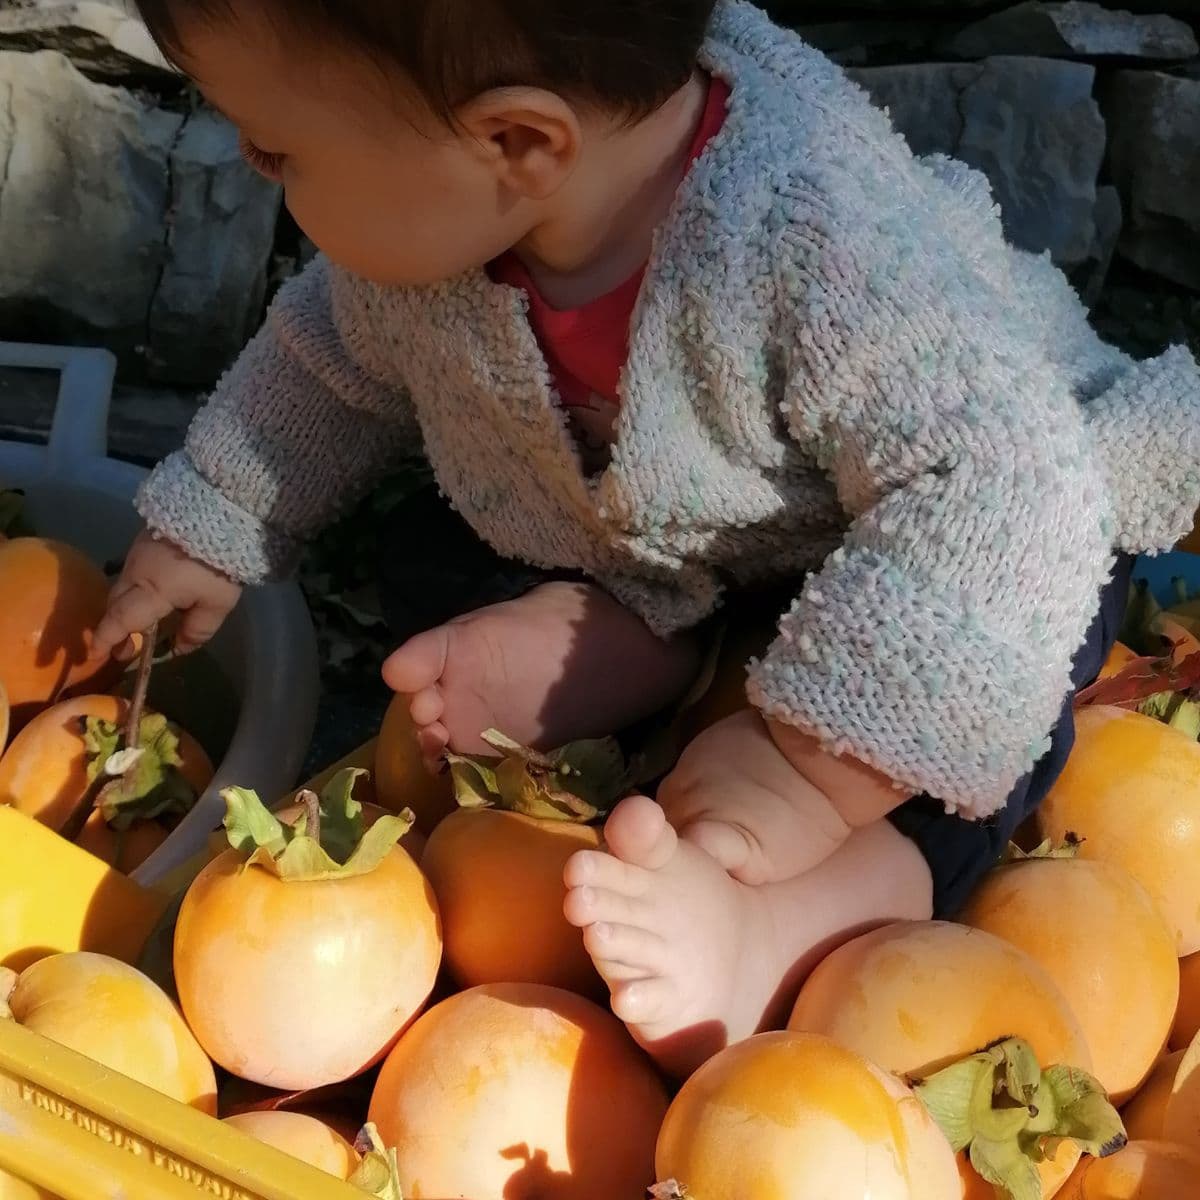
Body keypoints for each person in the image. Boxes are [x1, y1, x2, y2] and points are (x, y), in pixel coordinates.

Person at [91, 0, 1200, 1076]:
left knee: (997, 707)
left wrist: (807, 776)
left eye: (280, 149)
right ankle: (640, 636)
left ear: (519, 141)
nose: (249, 163)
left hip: (959, 521)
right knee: (430, 556)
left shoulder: (812, 242)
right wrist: (215, 514)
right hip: (682, 528)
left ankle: (797, 919)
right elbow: (329, 354)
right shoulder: (456, 220)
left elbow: (1003, 483)